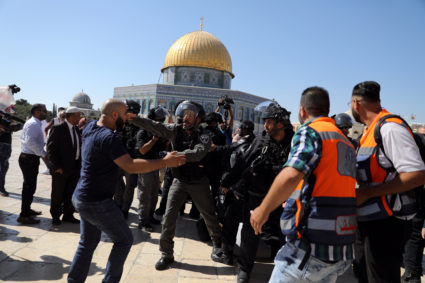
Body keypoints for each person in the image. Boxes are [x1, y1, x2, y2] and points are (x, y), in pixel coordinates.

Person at [67, 99, 185, 283]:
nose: (126, 119)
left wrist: (130, 117)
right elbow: (129, 166)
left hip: (81, 196)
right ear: (114, 115)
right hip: (97, 202)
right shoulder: (109, 137)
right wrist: (165, 162)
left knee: (87, 243)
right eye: (124, 115)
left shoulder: (91, 127)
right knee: (123, 240)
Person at [250, 87, 357, 283]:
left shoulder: (311, 131)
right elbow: (325, 183)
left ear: (302, 110)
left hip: (309, 247)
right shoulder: (345, 142)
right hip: (340, 246)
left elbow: (291, 174)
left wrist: (263, 209)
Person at [130, 100, 224, 271]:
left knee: (208, 214)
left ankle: (217, 243)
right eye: (184, 114)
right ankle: (166, 253)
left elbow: (197, 153)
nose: (185, 118)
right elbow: (154, 126)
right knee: (168, 216)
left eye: (190, 115)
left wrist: (172, 156)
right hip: (179, 181)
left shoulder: (205, 133)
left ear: (197, 118)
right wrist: (134, 119)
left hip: (198, 182)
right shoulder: (175, 129)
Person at [350, 81, 425, 283]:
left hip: (386, 223)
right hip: (367, 221)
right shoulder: (368, 131)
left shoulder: (390, 128)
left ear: (355, 104)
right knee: (364, 275)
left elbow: (416, 174)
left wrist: (367, 193)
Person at [219, 102, 294, 282]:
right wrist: (227, 181)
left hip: (281, 199)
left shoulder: (294, 143)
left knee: (281, 235)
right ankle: (245, 269)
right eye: (265, 122)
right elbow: (242, 164)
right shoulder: (261, 141)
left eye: (269, 122)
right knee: (250, 233)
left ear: (280, 123)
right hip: (256, 197)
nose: (266, 126)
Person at [46, 106, 81, 225]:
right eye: (77, 115)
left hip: (74, 167)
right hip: (61, 168)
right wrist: (56, 167)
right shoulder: (58, 128)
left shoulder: (76, 129)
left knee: (70, 193)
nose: (79, 118)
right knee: (57, 193)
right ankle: (55, 216)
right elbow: (50, 149)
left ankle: (68, 215)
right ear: (70, 116)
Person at [135, 106, 168, 231]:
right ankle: (143, 222)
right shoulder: (143, 132)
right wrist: (154, 139)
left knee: (154, 194)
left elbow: (164, 148)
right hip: (145, 166)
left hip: (155, 165)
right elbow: (142, 150)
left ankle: (150, 217)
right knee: (145, 195)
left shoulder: (157, 131)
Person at [17, 103, 48, 224]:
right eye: (44, 110)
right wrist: (43, 154)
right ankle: (24, 215)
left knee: (31, 186)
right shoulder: (33, 124)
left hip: (31, 158)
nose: (46, 113)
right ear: (37, 112)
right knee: (28, 187)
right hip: (28, 158)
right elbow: (30, 142)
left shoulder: (35, 123)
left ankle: (27, 209)